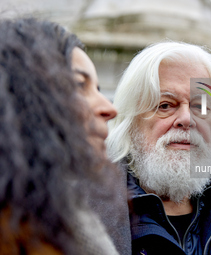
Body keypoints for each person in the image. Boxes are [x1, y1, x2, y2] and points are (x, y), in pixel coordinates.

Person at [0, 17, 127, 254]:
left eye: (98, 89)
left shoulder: (65, 218)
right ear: (21, 96)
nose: (110, 109)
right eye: (80, 85)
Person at [106, 41, 211, 254]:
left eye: (200, 106)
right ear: (130, 121)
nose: (187, 119)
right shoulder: (85, 206)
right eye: (166, 105)